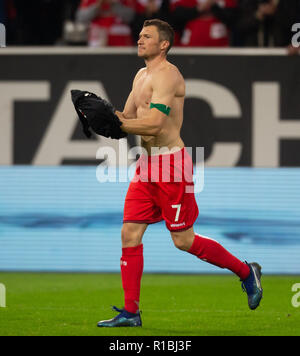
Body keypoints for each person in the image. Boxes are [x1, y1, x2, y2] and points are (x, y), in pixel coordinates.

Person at [97, 19, 263, 327]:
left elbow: (155, 125)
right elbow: (128, 118)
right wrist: (101, 119)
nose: (139, 39)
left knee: (183, 240)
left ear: (164, 44)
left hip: (171, 166)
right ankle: (131, 313)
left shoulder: (169, 76)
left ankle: (246, 271)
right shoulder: (140, 75)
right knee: (129, 233)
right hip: (146, 166)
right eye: (140, 35)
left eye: (147, 36)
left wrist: (118, 124)